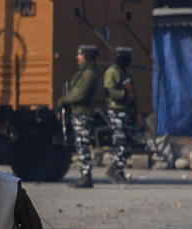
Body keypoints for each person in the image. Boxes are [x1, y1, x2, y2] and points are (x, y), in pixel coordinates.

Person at [57, 45, 99, 188]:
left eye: (80, 55)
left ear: (86, 56)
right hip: (78, 113)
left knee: (83, 144)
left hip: (83, 113)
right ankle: (84, 175)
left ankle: (86, 177)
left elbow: (81, 93)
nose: (77, 57)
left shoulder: (89, 73)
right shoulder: (83, 72)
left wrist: (64, 100)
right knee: (81, 145)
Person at [104, 47, 139, 185]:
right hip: (116, 111)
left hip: (126, 111)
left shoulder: (123, 72)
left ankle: (118, 170)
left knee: (128, 145)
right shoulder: (112, 72)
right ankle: (114, 170)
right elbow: (109, 91)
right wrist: (125, 95)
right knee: (121, 144)